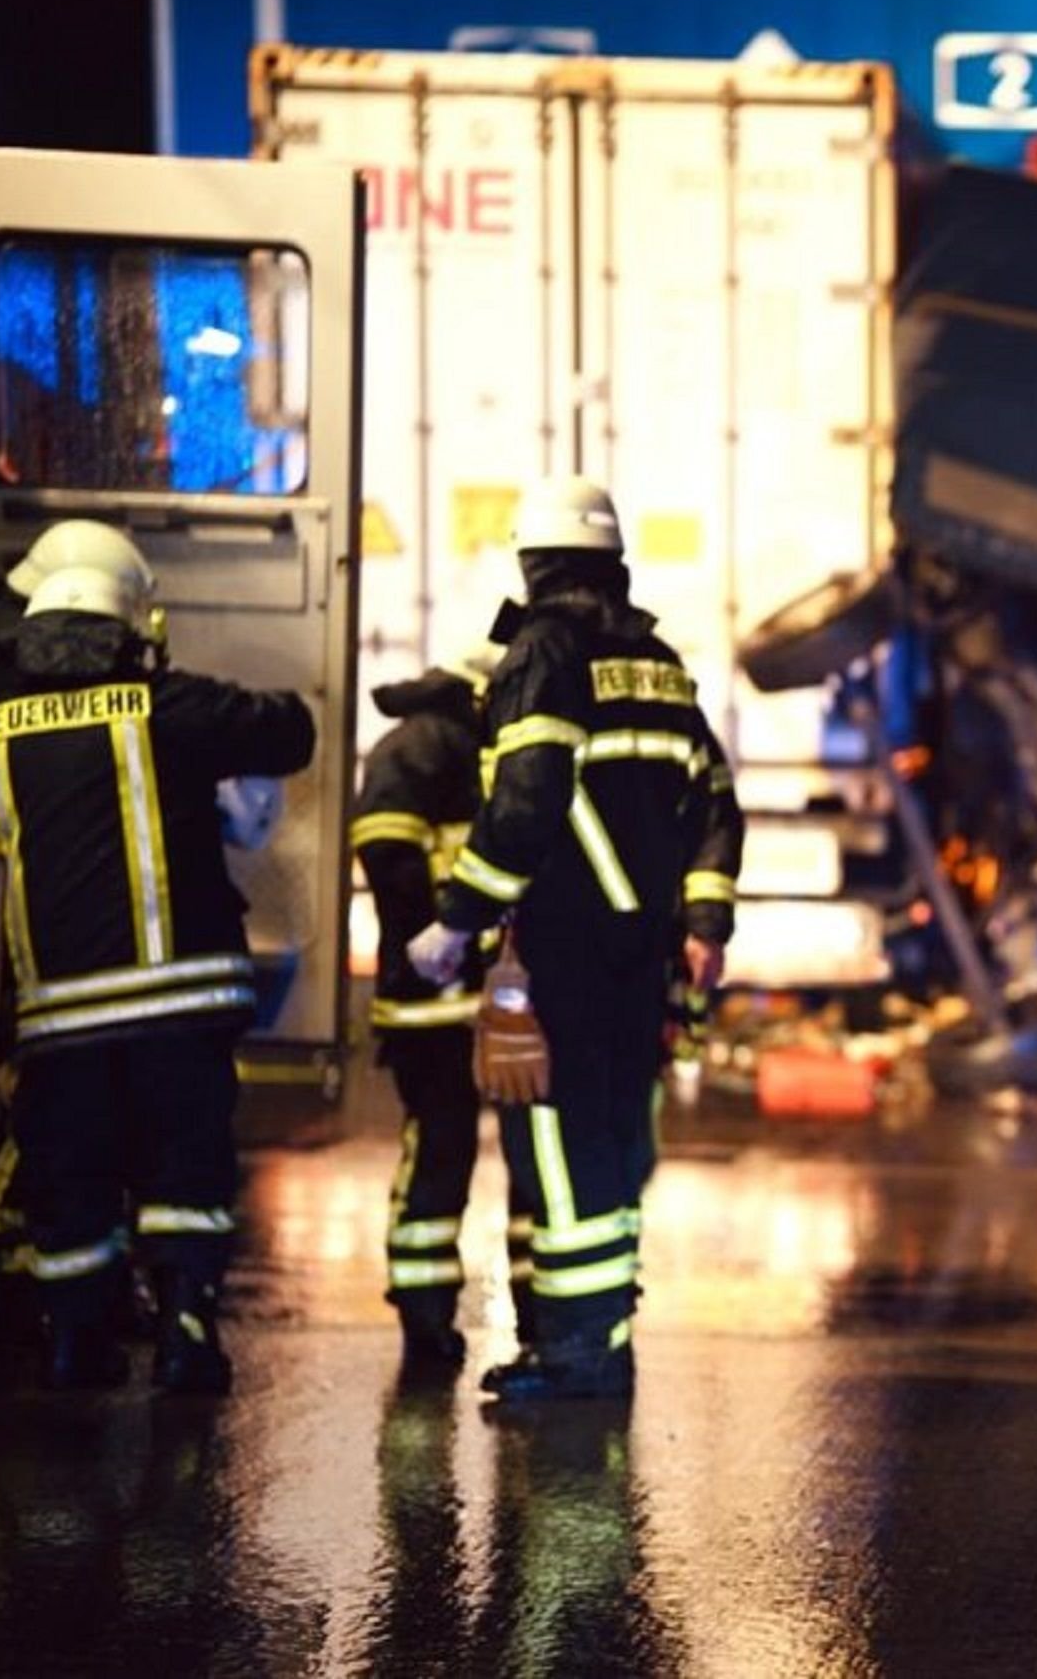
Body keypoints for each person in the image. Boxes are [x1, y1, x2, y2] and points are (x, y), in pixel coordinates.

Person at [407, 476, 740, 1402]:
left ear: (533, 561)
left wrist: (456, 920)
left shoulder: (541, 655)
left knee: (555, 1148)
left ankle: (575, 1358)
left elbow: (523, 807)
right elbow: (716, 803)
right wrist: (705, 920)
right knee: (616, 1141)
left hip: (560, 947)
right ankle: (606, 1339)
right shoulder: (662, 663)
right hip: (643, 956)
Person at [0, 559, 315, 1391]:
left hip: (60, 1006)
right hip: (184, 994)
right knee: (185, 1169)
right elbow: (290, 730)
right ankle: (187, 1335)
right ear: (128, 630)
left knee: (73, 1176)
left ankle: (74, 1344)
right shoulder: (170, 707)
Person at [352, 647, 539, 1378]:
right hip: (456, 997)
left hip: (452, 997)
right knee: (512, 1161)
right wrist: (442, 939)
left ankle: (429, 1321)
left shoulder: (433, 746)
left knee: (440, 1152)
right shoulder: (431, 746)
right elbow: (391, 860)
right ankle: (523, 1317)